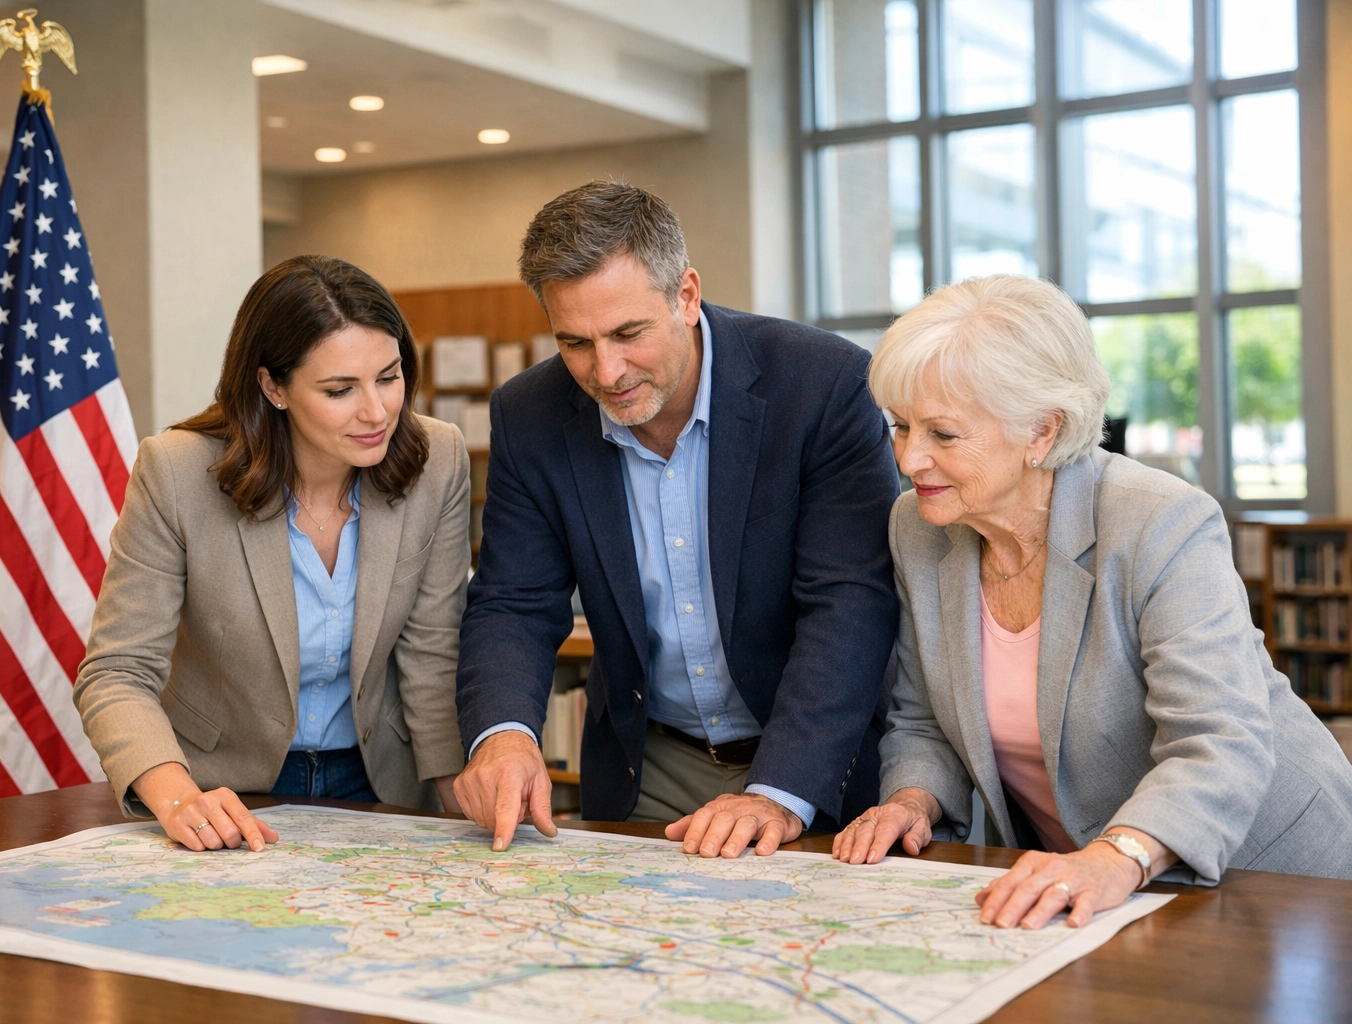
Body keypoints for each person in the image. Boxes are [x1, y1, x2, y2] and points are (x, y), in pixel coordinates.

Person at [836, 274, 1352, 928]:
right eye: (901, 426)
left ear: (1042, 432)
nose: (910, 459)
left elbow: (1218, 739)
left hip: (1272, 880)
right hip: (1084, 890)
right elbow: (922, 719)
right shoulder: (918, 527)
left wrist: (1113, 857)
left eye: (943, 434)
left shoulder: (1160, 521)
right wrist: (911, 801)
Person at [454, 180, 899, 857]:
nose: (606, 372)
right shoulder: (531, 413)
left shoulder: (823, 385)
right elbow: (514, 600)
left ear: (686, 295)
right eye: (574, 343)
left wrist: (777, 792)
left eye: (628, 334)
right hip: (648, 763)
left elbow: (849, 603)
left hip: (810, 759)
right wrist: (504, 733)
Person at [75, 256, 470, 852]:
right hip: (223, 790)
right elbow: (117, 671)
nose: (376, 411)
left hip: (386, 782)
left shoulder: (438, 459)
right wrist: (178, 796)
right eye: (339, 389)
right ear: (272, 386)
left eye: (389, 378)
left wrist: (456, 793)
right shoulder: (178, 472)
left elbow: (433, 652)